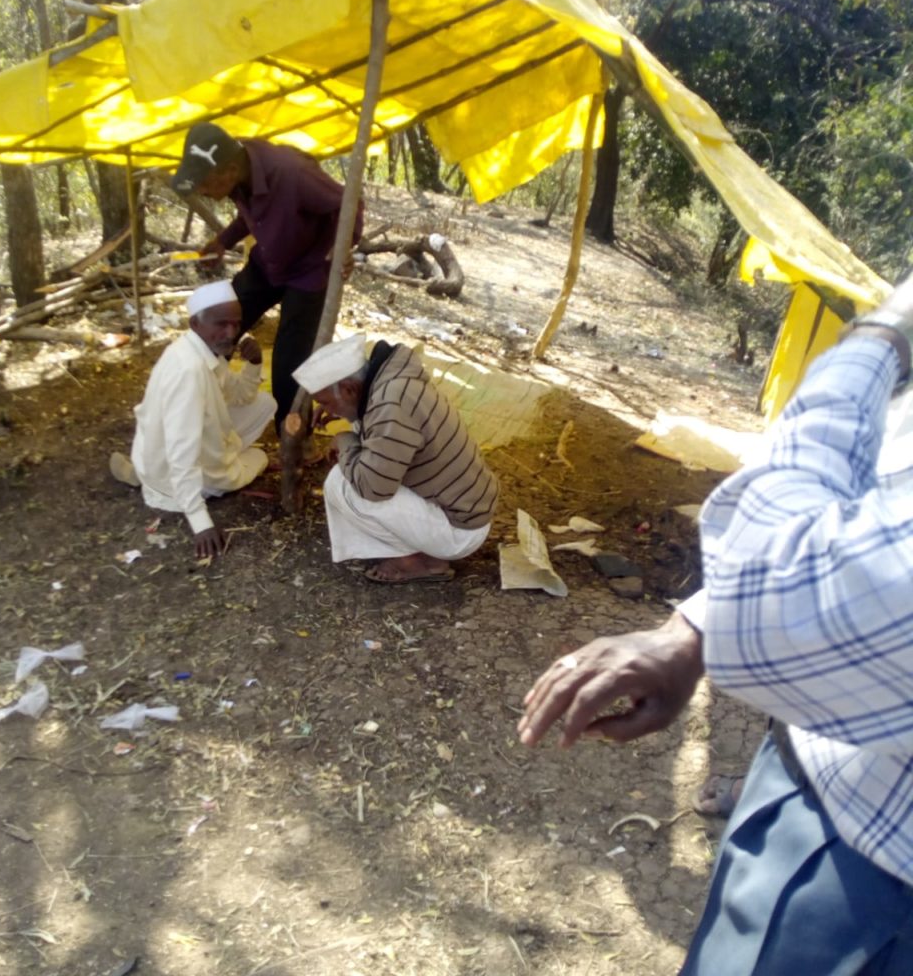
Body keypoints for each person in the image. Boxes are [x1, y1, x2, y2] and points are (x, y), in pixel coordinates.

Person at [519, 276, 913, 973]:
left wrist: (879, 339)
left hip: (868, 867)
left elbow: (785, 590)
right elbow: (874, 526)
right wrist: (691, 633)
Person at [171, 122, 363, 433]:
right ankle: (195, 403)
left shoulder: (292, 173)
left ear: (230, 169)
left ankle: (292, 434)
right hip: (270, 262)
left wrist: (343, 246)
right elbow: (252, 214)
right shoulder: (239, 172)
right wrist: (223, 240)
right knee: (219, 318)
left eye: (205, 184)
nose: (203, 192)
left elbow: (348, 203)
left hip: (308, 271)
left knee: (290, 359)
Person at [292, 333, 499, 583]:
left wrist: (344, 439)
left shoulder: (391, 404)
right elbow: (379, 436)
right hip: (467, 512)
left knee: (343, 484)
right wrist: (350, 413)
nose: (327, 410)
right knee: (353, 470)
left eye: (326, 402)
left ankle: (420, 560)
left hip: (460, 530)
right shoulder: (393, 383)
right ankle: (420, 550)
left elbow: (372, 487)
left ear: (349, 389)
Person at [109, 279, 276, 560]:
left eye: (235, 324)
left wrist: (255, 364)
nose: (230, 332)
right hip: (179, 461)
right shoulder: (188, 371)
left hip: (176, 443)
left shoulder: (203, 350)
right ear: (195, 324)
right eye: (221, 324)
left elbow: (241, 397)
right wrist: (201, 523)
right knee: (260, 458)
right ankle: (159, 480)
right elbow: (181, 450)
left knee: (265, 403)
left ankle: (145, 472)